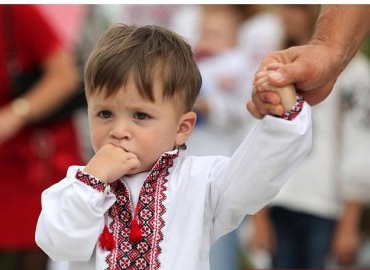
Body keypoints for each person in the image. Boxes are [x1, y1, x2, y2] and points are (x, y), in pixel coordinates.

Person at [35, 24, 312, 270]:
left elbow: (256, 174)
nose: (118, 131)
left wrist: (284, 119)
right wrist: (93, 180)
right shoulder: (77, 186)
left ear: (182, 128)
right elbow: (60, 244)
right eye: (105, 114)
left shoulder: (203, 181)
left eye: (140, 116)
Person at [248, 5, 370, 269]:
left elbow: (359, 145)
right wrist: (257, 215)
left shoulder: (356, 74)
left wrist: (350, 221)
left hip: (324, 205)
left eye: (298, 8)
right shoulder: (275, 65)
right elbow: (256, 137)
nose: (287, 15)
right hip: (278, 200)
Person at [0, 5, 83, 270]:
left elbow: (66, 76)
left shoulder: (16, 12)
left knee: (36, 250)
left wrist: (15, 114)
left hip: (40, 155)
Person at [249, 4, 370, 118]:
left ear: (314, 11)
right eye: (284, 6)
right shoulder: (275, 60)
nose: (287, 15)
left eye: (296, 7)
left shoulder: (355, 68)